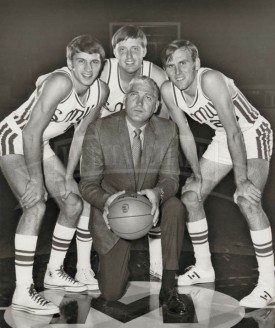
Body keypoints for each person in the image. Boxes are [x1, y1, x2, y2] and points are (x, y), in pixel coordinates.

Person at [0, 35, 109, 315]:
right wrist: (37, 181)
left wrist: (71, 175)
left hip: (41, 144)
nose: (88, 69)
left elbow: (81, 134)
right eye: (81, 61)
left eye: (94, 62)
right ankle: (22, 292)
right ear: (69, 63)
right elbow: (29, 132)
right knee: (34, 204)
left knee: (73, 202)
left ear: (101, 64)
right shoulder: (61, 82)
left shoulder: (101, 91)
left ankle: (53, 272)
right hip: (14, 138)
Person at [160, 40, 274, 308]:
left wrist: (242, 180)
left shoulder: (210, 80)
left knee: (247, 199)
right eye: (170, 66)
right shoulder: (168, 90)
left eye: (183, 63)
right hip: (224, 137)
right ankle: (203, 267)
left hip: (252, 132)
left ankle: (269, 284)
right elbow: (185, 133)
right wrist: (197, 174)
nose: (177, 72)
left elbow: (235, 129)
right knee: (190, 195)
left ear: (196, 64)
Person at [79, 76, 192, 318]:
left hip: (149, 205)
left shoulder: (167, 129)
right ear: (124, 99)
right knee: (111, 293)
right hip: (114, 211)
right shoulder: (99, 129)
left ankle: (169, 287)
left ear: (157, 106)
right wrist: (106, 201)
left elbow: (171, 179)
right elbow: (88, 184)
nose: (140, 102)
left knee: (175, 207)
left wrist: (156, 193)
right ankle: (113, 263)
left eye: (148, 97)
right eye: (134, 95)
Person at [100, 25, 169, 280]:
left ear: (144, 51)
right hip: (104, 145)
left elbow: (167, 115)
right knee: (90, 201)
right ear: (114, 51)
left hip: (140, 141)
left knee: (149, 197)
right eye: (122, 50)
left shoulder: (156, 74)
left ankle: (157, 262)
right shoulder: (102, 68)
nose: (129, 57)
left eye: (135, 50)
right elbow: (62, 76)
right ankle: (84, 266)